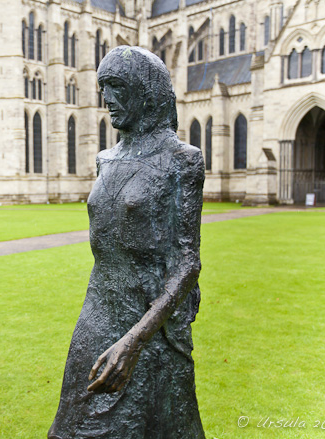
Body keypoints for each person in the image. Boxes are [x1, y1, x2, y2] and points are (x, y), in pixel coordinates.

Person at [48, 46, 206, 438]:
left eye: (117, 86)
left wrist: (134, 341)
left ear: (145, 90)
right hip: (98, 309)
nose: (107, 99)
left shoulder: (182, 160)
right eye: (103, 88)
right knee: (70, 428)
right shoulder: (105, 159)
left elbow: (188, 262)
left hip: (150, 319)